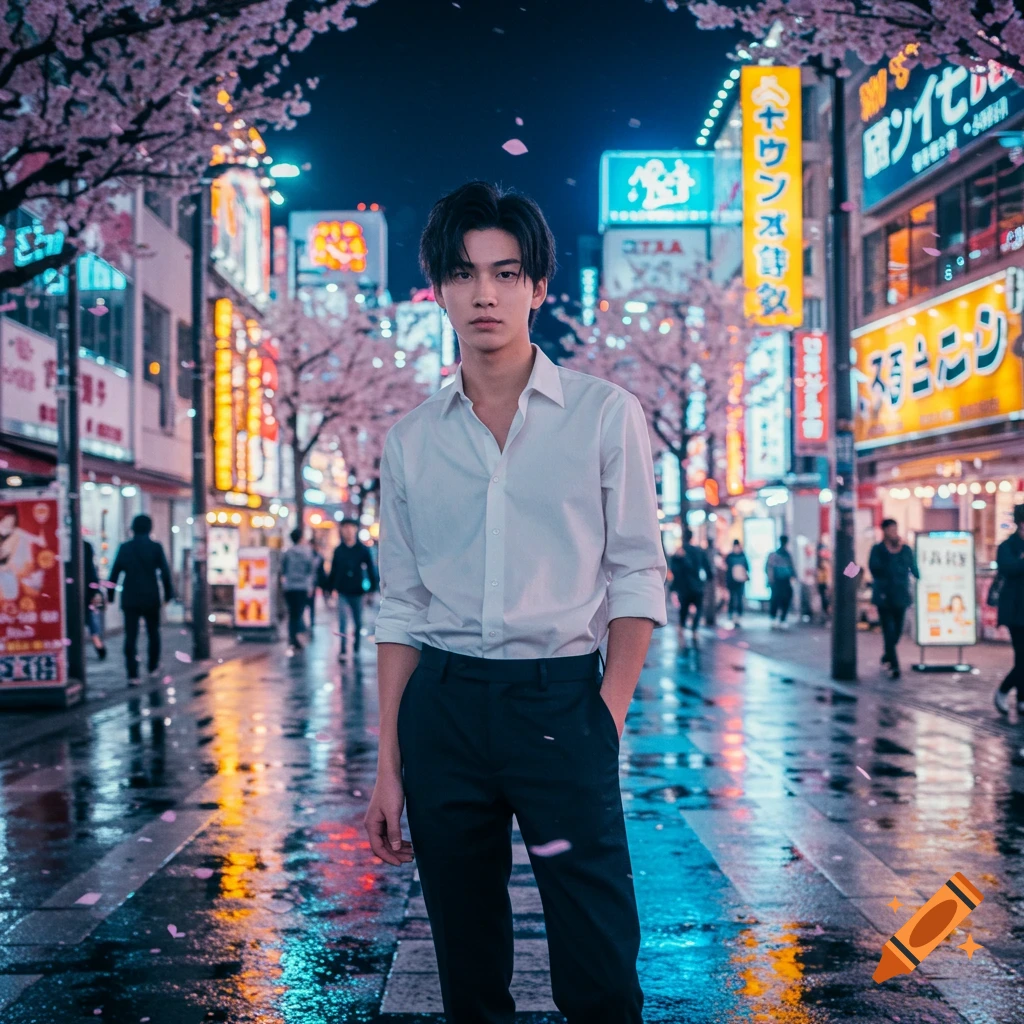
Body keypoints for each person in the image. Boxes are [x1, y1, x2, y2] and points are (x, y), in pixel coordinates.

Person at [365, 181, 666, 1024]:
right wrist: (389, 762)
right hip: (446, 712)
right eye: (463, 274)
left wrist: (606, 711)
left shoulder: (606, 417)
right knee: (466, 960)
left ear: (539, 285)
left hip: (561, 701)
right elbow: (403, 606)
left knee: (598, 954)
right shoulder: (412, 439)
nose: (484, 294)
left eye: (505, 273)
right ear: (439, 289)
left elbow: (638, 571)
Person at [108, 515, 173, 685]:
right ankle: (152, 668)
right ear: (150, 528)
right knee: (153, 633)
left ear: (133, 528)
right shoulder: (155, 547)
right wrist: (168, 594)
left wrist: (109, 595)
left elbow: (114, 572)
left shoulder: (125, 548)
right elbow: (165, 572)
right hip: (151, 596)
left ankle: (133, 674)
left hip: (130, 597)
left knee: (130, 636)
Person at [868, 518, 920, 679]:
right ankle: (895, 665)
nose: (894, 533)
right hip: (884, 596)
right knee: (888, 631)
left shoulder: (905, 550)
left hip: (901, 595)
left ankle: (887, 655)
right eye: (890, 530)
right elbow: (873, 568)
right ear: (884, 531)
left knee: (897, 631)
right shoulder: (877, 549)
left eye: (895, 529)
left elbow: (914, 568)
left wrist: (922, 577)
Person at [326, 517, 380, 661]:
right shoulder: (339, 550)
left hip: (358, 591)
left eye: (351, 528)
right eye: (345, 528)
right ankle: (343, 650)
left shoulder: (363, 550)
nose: (348, 531)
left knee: (357, 622)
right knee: (342, 622)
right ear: (342, 530)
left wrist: (371, 591)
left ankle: (356, 647)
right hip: (342, 591)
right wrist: (330, 590)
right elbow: (333, 570)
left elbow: (370, 570)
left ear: (356, 530)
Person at [994, 503, 1024, 715]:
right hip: (1016, 611)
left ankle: (1022, 698)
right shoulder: (1007, 547)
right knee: (1022, 656)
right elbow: (1008, 568)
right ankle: (1004, 691)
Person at [669, 529, 709, 646]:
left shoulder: (680, 552)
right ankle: (694, 629)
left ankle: (682, 626)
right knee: (699, 608)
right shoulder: (699, 551)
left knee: (684, 608)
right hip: (697, 585)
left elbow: (675, 570)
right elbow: (707, 568)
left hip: (684, 587)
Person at [281, 528, 318, 652]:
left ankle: (292, 638)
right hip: (302, 587)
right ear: (301, 538)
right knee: (299, 613)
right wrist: (310, 587)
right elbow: (311, 570)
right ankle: (296, 638)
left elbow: (283, 569)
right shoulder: (308, 552)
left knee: (292, 613)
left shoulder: (287, 552)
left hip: (289, 587)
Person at [84, 538, 107, 661]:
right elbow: (92, 573)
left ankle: (99, 646)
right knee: (92, 622)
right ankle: (99, 646)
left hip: (74, 593)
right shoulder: (86, 546)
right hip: (87, 593)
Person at [766, 535, 796, 628]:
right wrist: (793, 577)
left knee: (775, 599)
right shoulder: (786, 555)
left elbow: (768, 568)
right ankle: (782, 619)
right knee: (784, 599)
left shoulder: (774, 555)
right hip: (783, 581)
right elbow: (792, 568)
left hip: (776, 581)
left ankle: (774, 618)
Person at [725, 539, 749, 623]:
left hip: (739, 581)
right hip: (732, 581)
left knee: (738, 598)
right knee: (733, 598)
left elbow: (747, 567)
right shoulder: (735, 556)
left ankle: (738, 614)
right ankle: (732, 614)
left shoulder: (732, 556)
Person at [816, 541, 832, 622]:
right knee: (825, 601)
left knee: (827, 601)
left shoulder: (827, 562)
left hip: (826, 583)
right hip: (823, 583)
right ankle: (827, 617)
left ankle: (828, 617)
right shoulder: (821, 562)